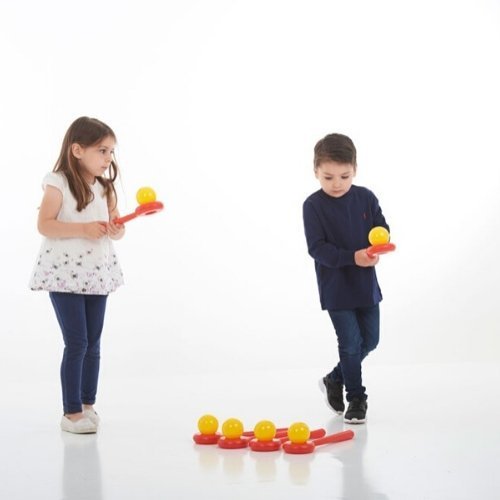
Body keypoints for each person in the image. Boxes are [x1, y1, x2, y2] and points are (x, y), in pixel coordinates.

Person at [29, 116, 125, 434]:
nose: (108, 158)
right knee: (77, 342)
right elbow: (45, 224)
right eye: (102, 150)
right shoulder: (57, 182)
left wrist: (117, 228)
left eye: (111, 151)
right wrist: (83, 228)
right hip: (64, 274)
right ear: (77, 150)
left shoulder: (105, 187)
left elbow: (114, 230)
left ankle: (87, 405)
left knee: (93, 343)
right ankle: (70, 414)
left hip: (96, 273)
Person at [302, 133, 390, 424]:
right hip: (336, 288)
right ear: (315, 171)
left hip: (365, 284)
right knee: (350, 344)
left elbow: (381, 227)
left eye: (344, 175)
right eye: (328, 177)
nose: (336, 183)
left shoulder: (365, 197)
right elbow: (317, 248)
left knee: (371, 340)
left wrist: (378, 247)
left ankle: (334, 378)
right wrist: (354, 257)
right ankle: (356, 398)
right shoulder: (312, 206)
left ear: (355, 169)